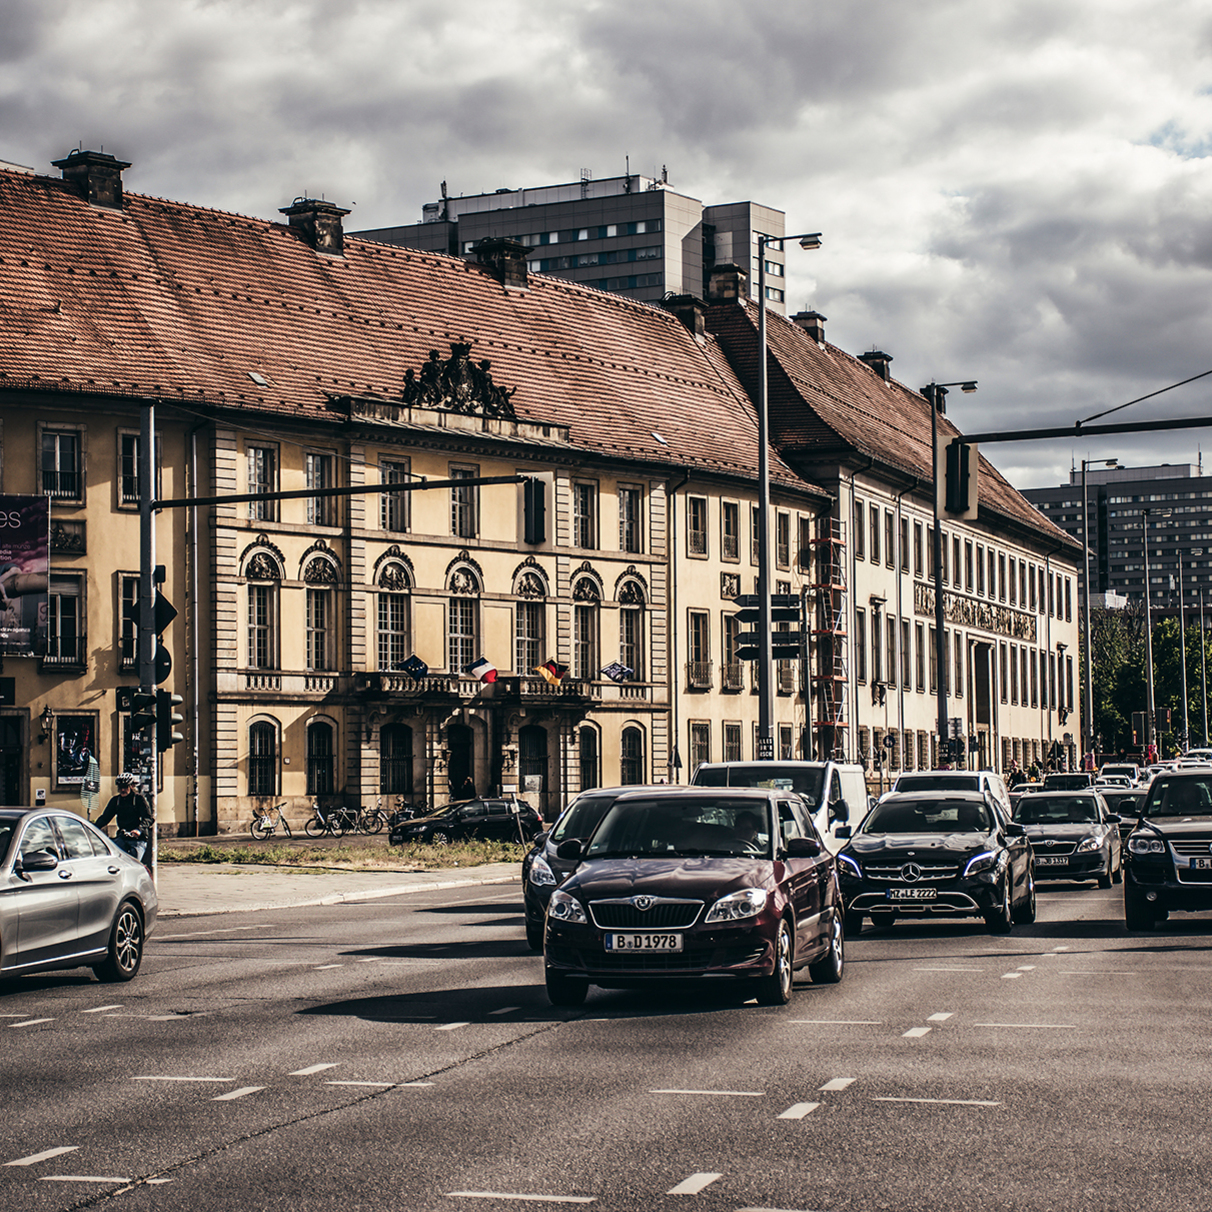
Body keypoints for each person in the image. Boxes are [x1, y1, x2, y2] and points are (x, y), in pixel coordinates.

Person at [96, 773, 155, 866]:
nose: (122, 790)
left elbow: (148, 818)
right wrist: (94, 829)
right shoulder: (116, 801)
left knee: (134, 864)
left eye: (125, 787)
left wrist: (138, 830)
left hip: (137, 839)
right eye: (120, 787)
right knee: (114, 859)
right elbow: (105, 818)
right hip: (123, 836)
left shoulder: (138, 799)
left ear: (131, 786)